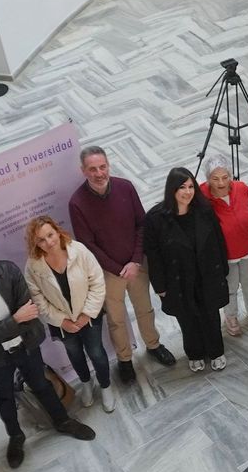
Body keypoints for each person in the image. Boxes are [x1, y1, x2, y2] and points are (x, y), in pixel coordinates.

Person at [0, 231, 97, 469]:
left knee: (41, 384)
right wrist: (14, 319)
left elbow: (29, 313)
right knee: (4, 396)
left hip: (25, 344)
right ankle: (16, 437)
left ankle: (63, 421)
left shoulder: (9, 270)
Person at [67, 145, 177, 383]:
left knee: (145, 309)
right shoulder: (77, 202)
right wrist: (118, 268)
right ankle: (125, 359)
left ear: (109, 165)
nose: (99, 173)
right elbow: (87, 245)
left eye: (102, 167)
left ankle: (153, 344)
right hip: (107, 271)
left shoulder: (125, 187)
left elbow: (141, 224)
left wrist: (136, 260)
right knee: (116, 319)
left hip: (136, 265)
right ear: (83, 171)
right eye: (92, 169)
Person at [23, 216, 116, 411]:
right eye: (41, 239)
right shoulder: (33, 265)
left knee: (96, 353)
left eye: (50, 235)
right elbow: (38, 300)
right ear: (35, 243)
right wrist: (62, 321)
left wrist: (86, 315)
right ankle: (86, 383)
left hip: (88, 317)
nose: (48, 242)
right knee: (74, 354)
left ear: (57, 231)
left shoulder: (78, 250)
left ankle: (105, 386)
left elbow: (97, 281)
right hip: (62, 323)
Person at [144, 167, 231, 372]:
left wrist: (222, 269)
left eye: (191, 186)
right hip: (179, 279)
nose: (188, 192)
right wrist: (160, 286)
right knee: (187, 318)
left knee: (211, 315)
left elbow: (218, 241)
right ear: (172, 189)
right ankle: (195, 353)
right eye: (182, 187)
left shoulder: (204, 209)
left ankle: (216, 351)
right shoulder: (156, 218)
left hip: (206, 274)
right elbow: (153, 256)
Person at [201, 158, 248, 336]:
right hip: (224, 258)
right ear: (208, 179)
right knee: (229, 289)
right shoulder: (202, 196)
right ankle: (231, 316)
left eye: (225, 177)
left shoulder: (241, 188)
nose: (221, 183)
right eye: (215, 179)